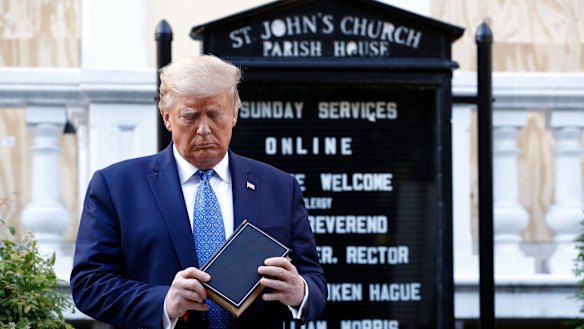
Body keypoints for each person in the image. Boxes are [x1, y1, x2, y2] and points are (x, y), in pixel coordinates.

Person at [70, 54, 327, 329]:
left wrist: (299, 292)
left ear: (234, 115)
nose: (204, 129)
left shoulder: (279, 187)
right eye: (190, 116)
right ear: (167, 118)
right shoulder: (116, 187)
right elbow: (89, 284)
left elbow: (315, 282)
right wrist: (164, 302)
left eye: (215, 114)